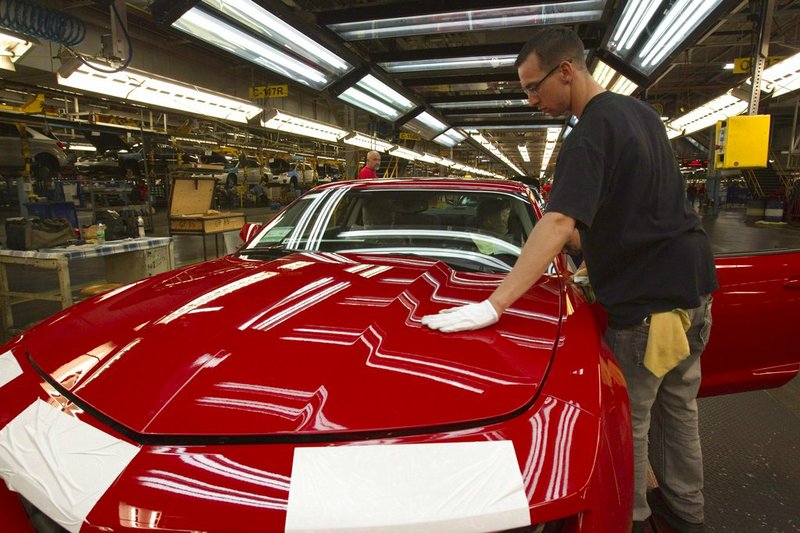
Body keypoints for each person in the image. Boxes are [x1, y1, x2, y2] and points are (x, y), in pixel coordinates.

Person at [421, 26, 718, 533]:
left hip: (647, 307)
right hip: (694, 292)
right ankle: (688, 515)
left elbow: (557, 223)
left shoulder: (589, 133)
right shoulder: (641, 114)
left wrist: (493, 305)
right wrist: (590, 254)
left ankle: (629, 518)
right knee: (680, 411)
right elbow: (632, 208)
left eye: (534, 87)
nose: (532, 100)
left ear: (566, 70)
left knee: (632, 424)